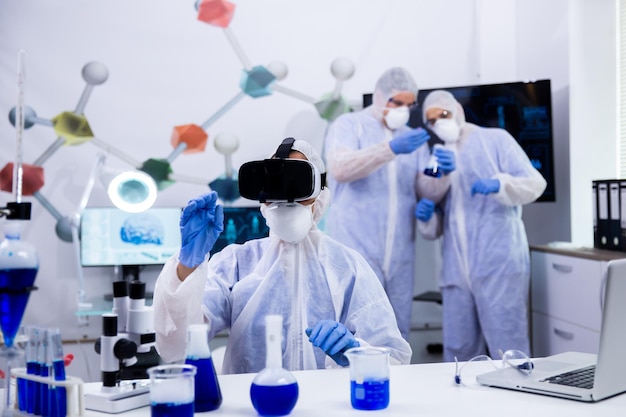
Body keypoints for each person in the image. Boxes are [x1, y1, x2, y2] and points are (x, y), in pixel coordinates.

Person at [152, 138, 412, 374]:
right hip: (251, 404)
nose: (287, 198)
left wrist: (356, 352)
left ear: (320, 194)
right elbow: (175, 345)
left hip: (328, 406)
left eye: (297, 183)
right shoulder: (237, 262)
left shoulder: (348, 265)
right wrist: (188, 264)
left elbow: (395, 359)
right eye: (276, 184)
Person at [413, 89, 547, 362]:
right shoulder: (437, 156)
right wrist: (428, 213)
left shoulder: (495, 140)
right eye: (432, 120)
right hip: (456, 268)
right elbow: (428, 196)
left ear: (458, 112)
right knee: (458, 351)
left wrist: (501, 183)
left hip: (498, 262)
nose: (439, 122)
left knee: (509, 346)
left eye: (444, 115)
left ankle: (515, 402)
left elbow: (536, 183)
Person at [323, 67, 445, 339]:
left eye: (408, 105)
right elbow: (340, 168)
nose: (403, 110)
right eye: (396, 102)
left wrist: (440, 173)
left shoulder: (412, 138)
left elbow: (425, 189)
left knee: (396, 333)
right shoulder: (349, 124)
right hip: (355, 249)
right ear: (379, 96)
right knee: (353, 331)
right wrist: (390, 149)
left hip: (401, 255)